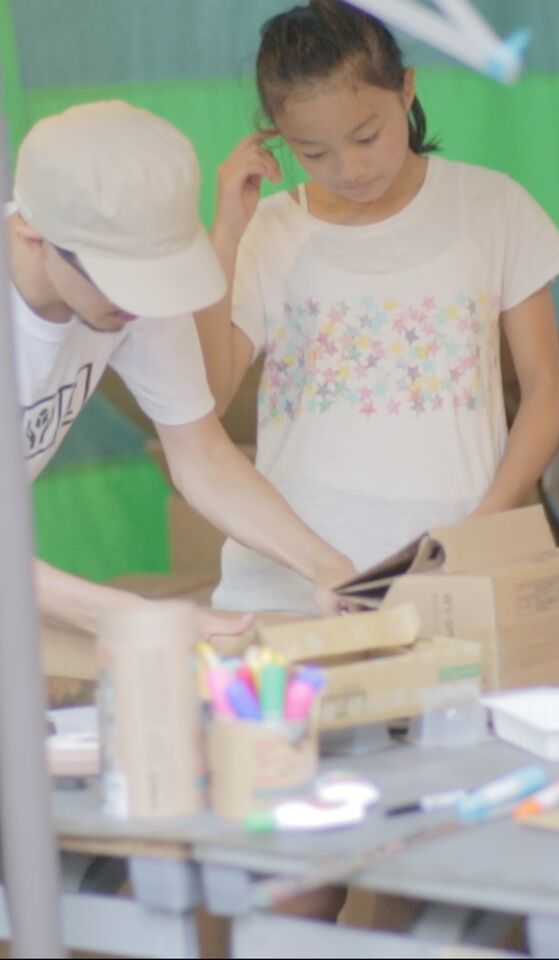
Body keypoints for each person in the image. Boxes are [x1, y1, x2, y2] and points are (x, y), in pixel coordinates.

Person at [195, 0, 559, 614]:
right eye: (313, 153)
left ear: (407, 90)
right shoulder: (266, 233)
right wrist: (226, 235)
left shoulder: (494, 208)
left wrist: (482, 527)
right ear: (277, 136)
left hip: (448, 579)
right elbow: (204, 400)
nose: (348, 168)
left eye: (366, 136)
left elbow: (546, 388)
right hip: (287, 593)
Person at [10, 100, 357, 636]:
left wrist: (324, 565)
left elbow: (202, 457)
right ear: (32, 236)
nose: (140, 304)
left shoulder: (132, 301)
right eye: (121, 281)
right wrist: (130, 616)